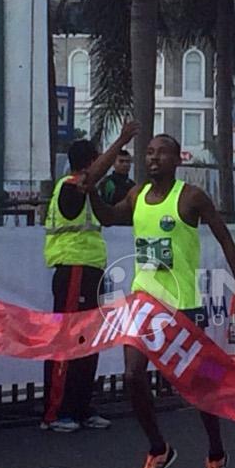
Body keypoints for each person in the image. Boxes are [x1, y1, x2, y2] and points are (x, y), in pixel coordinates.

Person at [105, 134, 235, 468]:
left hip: (183, 305)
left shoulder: (191, 197)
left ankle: (216, 455)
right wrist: (91, 187)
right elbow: (108, 215)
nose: (153, 159)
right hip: (144, 304)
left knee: (198, 387)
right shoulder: (137, 195)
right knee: (133, 376)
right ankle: (158, 449)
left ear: (176, 159)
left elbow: (225, 240)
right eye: (149, 153)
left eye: (161, 153)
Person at [41, 125, 138, 432]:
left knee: (88, 342)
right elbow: (89, 179)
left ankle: (81, 407)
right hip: (72, 268)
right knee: (68, 341)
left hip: (91, 270)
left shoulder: (89, 191)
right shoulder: (70, 186)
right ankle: (56, 412)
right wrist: (121, 141)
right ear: (91, 162)